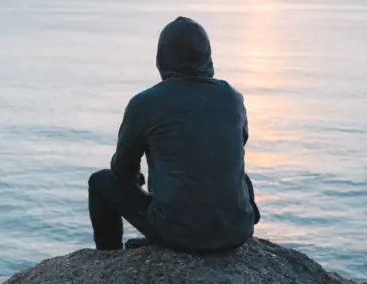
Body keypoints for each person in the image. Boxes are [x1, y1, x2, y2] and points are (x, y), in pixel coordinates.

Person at [88, 16, 259, 252]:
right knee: (236, 176)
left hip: (180, 233)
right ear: (208, 56)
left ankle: (109, 258)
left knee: (100, 182)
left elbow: (122, 172)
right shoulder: (233, 97)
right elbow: (233, 150)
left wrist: (134, 177)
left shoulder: (144, 103)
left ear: (161, 58)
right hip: (238, 230)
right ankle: (217, 224)